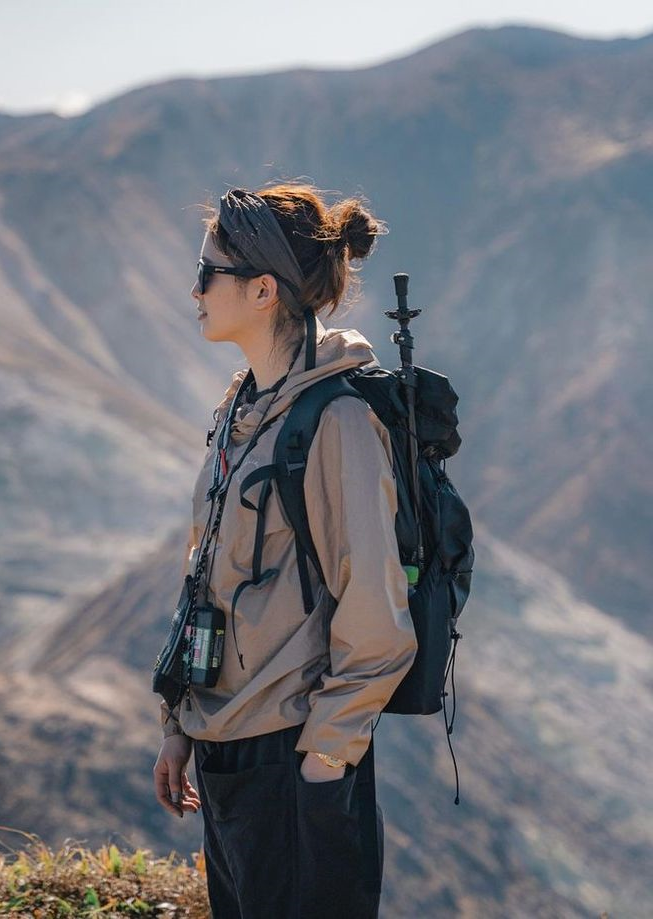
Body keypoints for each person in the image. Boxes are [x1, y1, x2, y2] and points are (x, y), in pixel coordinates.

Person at [152, 183, 418, 919]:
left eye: (208, 271)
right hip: (226, 757)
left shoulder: (336, 423)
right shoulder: (238, 410)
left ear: (262, 289)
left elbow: (377, 615)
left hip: (294, 764)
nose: (196, 288)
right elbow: (203, 576)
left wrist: (324, 761)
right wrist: (180, 724)